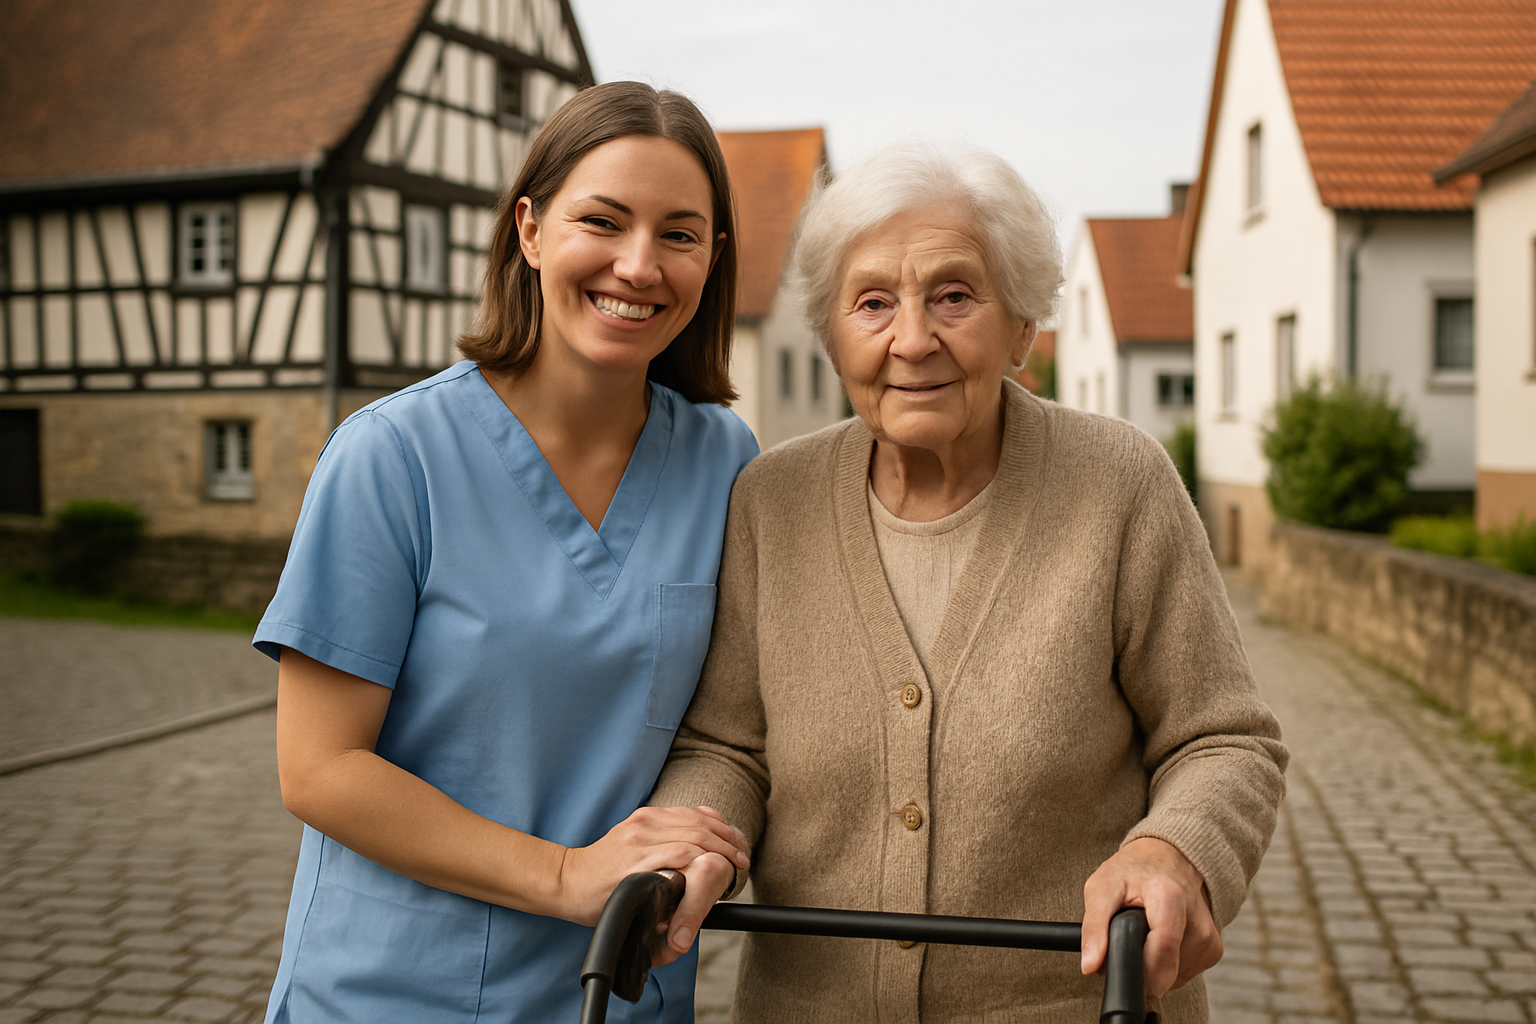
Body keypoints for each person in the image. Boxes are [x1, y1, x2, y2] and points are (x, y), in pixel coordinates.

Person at [650, 143, 1289, 1023]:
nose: (912, 339)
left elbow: (1223, 740)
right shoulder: (772, 499)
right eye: (873, 303)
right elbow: (727, 748)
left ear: (1023, 325)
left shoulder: (1119, 483)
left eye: (954, 295)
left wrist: (1175, 850)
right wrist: (689, 840)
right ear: (833, 335)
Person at [253, 82, 758, 1024]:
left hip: (624, 989)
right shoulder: (392, 457)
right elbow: (319, 769)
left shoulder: (726, 459)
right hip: (401, 992)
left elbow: (730, 723)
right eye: (601, 221)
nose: (638, 265)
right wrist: (566, 875)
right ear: (529, 230)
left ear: (712, 259)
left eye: (680, 235)